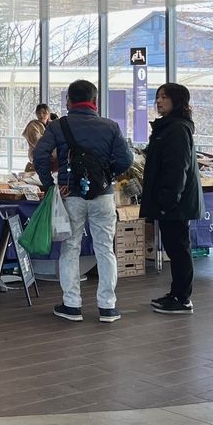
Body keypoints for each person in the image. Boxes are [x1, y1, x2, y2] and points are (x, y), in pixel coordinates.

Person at [34, 80, 133, 324]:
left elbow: (40, 154)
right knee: (105, 249)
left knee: (71, 248)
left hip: (71, 196)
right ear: (95, 102)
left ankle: (72, 305)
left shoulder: (59, 126)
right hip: (103, 196)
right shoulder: (110, 126)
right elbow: (126, 159)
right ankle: (108, 307)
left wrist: (50, 184)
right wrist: (106, 175)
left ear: (69, 100)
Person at [140, 83, 203, 315]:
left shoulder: (176, 128)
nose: (158, 101)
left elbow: (178, 168)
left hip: (176, 203)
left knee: (179, 249)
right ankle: (177, 293)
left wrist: (167, 200)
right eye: (157, 97)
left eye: (164, 97)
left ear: (178, 101)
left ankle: (182, 298)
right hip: (172, 201)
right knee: (176, 249)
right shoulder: (168, 126)